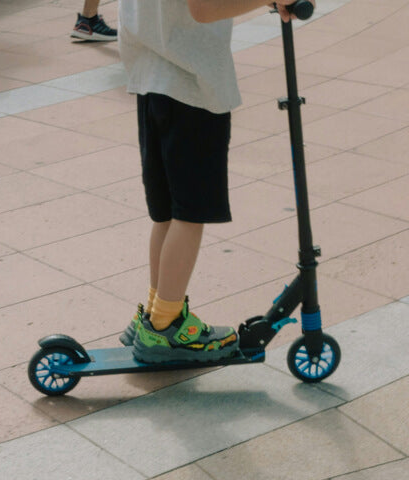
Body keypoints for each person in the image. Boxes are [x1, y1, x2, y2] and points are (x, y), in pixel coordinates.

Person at [116, 0, 301, 363]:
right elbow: (203, 8)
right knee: (189, 214)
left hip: (151, 74)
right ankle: (165, 328)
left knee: (168, 213)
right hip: (190, 84)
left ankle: (155, 315)